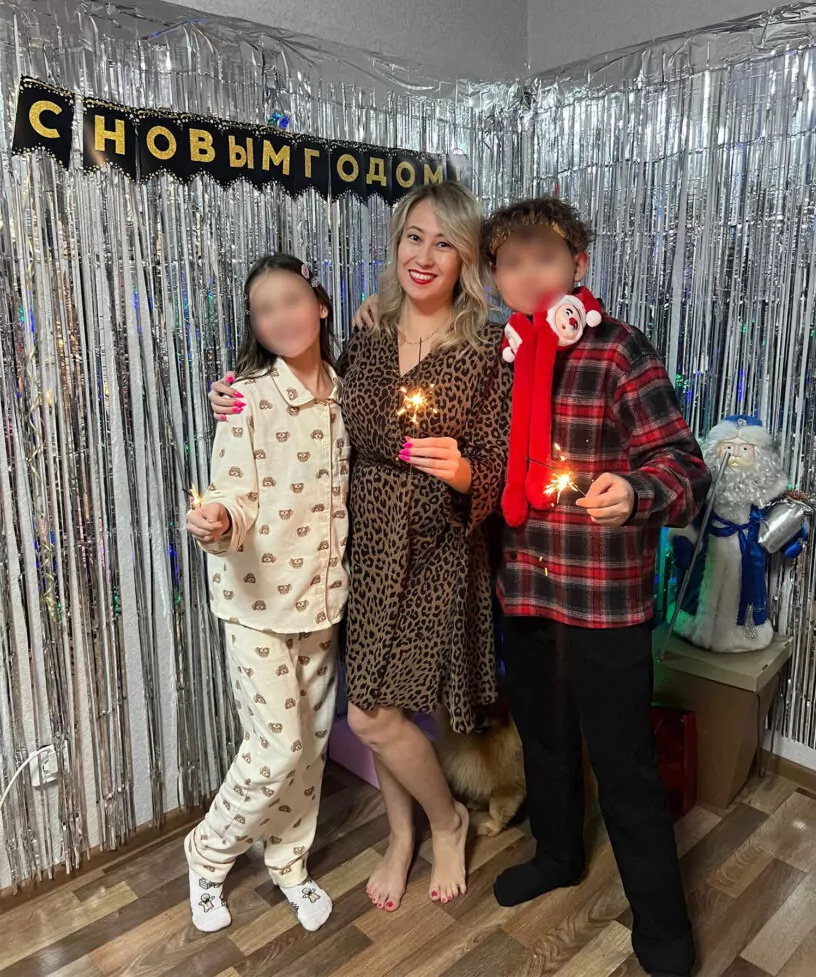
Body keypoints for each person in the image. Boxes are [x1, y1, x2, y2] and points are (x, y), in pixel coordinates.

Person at [352, 196, 709, 977]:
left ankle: (664, 924)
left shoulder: (619, 352)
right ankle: (558, 854)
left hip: (603, 600)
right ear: (495, 276)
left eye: (544, 259)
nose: (528, 276)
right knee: (545, 742)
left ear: (578, 265)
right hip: (525, 591)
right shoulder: (502, 354)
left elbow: (684, 467)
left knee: (624, 763)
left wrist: (637, 492)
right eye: (511, 263)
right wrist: (374, 317)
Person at [208, 181, 511, 913]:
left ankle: (447, 822)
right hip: (364, 548)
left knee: (375, 713)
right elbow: (313, 403)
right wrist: (233, 395)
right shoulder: (369, 334)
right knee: (374, 708)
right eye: (414, 237)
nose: (425, 255)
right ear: (397, 244)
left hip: (439, 550)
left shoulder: (487, 348)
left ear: (467, 257)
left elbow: (499, 468)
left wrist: (464, 473)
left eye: (445, 242)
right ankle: (403, 836)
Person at [184, 253, 348, 935]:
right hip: (255, 603)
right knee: (277, 746)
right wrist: (218, 519)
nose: (280, 317)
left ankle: (288, 862)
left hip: (323, 598)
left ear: (321, 306)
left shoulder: (347, 393)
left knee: (309, 748)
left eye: (292, 300)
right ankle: (208, 853)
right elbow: (232, 490)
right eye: (264, 308)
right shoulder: (246, 397)